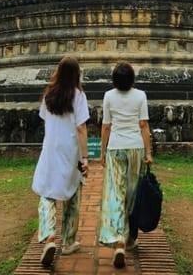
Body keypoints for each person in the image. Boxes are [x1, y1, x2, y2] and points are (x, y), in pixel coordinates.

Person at [32, 56, 90, 266]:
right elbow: (81, 127)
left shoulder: (49, 94)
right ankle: (68, 241)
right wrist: (85, 157)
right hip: (70, 150)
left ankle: (48, 236)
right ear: (76, 74)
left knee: (47, 192)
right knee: (73, 192)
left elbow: (45, 119)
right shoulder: (78, 96)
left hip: (51, 148)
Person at [98, 62, 153, 269]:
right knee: (132, 192)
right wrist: (148, 152)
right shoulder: (140, 96)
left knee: (115, 193)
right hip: (135, 147)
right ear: (132, 80)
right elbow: (143, 125)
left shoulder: (108, 96)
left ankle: (119, 239)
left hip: (115, 148)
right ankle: (129, 238)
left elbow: (106, 126)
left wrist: (102, 152)